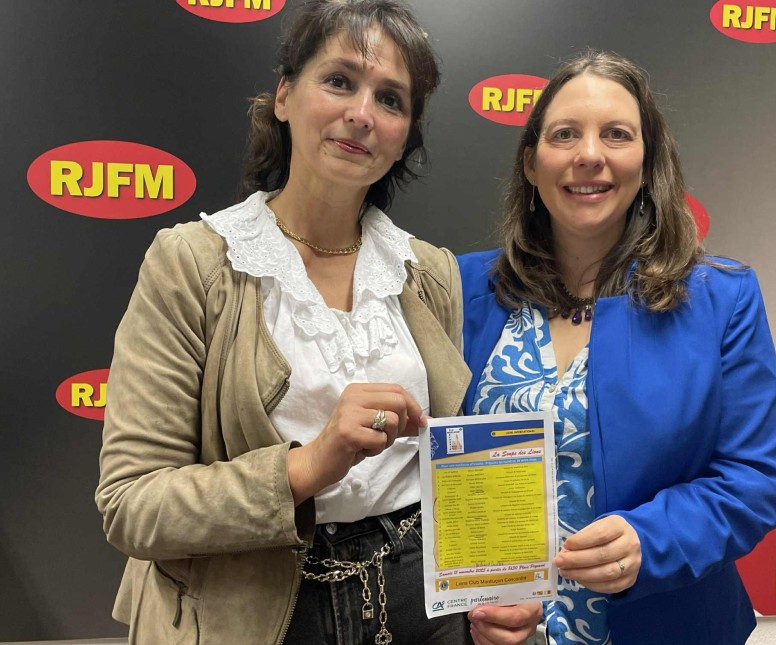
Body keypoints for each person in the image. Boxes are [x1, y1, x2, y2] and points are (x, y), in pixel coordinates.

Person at [95, 1, 538, 643]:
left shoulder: (428, 272)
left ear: (404, 135)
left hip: (422, 604)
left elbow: (453, 466)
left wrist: (497, 589)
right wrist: (307, 467)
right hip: (256, 608)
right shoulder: (193, 264)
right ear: (283, 95)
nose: (361, 113)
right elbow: (132, 505)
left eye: (390, 99)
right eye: (338, 81)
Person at [458, 50, 776, 645]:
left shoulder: (721, 299)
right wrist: (468, 607)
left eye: (616, 134)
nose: (590, 154)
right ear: (531, 163)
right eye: (565, 134)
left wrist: (651, 540)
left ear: (647, 160)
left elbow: (754, 479)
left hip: (667, 626)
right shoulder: (460, 289)